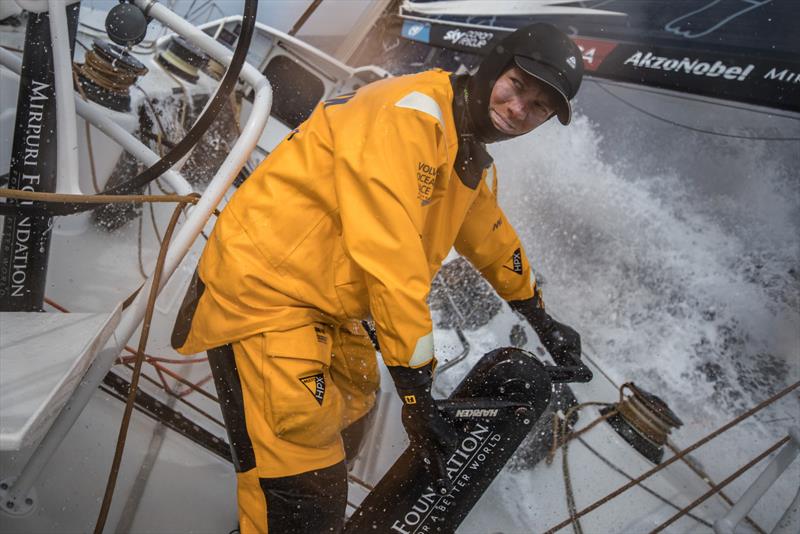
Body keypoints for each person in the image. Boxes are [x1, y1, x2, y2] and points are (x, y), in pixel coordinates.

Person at [172, 22, 584, 533]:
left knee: (355, 408)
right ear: (493, 63)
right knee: (308, 494)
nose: (520, 109)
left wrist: (541, 318)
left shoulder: (463, 142)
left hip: (320, 301)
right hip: (264, 292)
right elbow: (393, 259)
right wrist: (416, 389)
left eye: (540, 106)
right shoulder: (410, 116)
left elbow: (491, 235)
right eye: (518, 85)